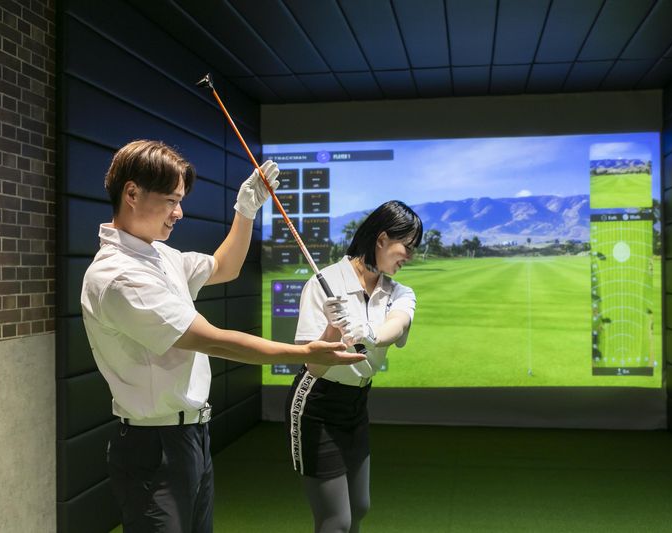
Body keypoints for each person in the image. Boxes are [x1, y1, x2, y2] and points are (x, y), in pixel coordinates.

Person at [80, 140, 365, 533]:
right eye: (171, 200)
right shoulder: (119, 275)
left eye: (180, 201)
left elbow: (224, 266)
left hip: (191, 435)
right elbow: (213, 340)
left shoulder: (159, 255)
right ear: (131, 193)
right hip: (154, 445)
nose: (179, 213)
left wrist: (246, 209)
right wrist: (305, 352)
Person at [285, 200, 422, 533]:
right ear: (382, 239)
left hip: (356, 405)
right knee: (336, 521)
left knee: (359, 506)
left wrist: (370, 333)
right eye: (407, 246)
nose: (409, 256)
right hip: (316, 403)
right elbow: (313, 365)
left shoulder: (398, 291)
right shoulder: (323, 283)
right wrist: (332, 329)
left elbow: (397, 326)